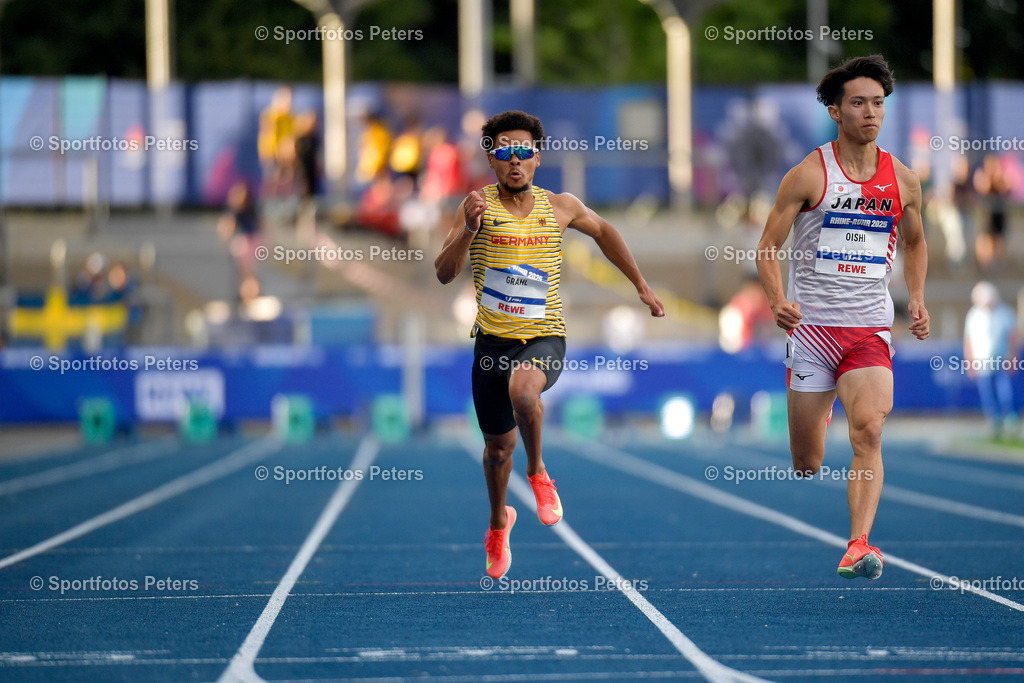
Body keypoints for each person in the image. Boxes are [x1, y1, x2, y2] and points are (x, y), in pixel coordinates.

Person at [434, 110, 665, 580]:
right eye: (504, 151)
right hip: (492, 344)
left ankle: (539, 473)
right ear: (492, 159)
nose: (515, 160)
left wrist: (640, 283)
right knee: (498, 450)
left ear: (537, 158)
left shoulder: (560, 206)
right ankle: (499, 523)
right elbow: (443, 272)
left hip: (544, 336)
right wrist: (469, 230)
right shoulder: (475, 207)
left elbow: (605, 233)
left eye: (524, 151)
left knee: (525, 393)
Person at [755, 55, 930, 580]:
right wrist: (777, 300)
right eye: (858, 103)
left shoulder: (904, 180)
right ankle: (822, 408)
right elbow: (767, 247)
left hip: (869, 330)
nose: (871, 113)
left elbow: (917, 242)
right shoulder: (809, 174)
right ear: (835, 111)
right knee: (807, 462)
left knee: (870, 431)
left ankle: (858, 545)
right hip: (812, 331)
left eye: (878, 103)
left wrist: (916, 298)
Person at [964, 281, 1019, 438]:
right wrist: (969, 362)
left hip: (1002, 360)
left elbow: (1013, 337)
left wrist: (1012, 356)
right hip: (982, 362)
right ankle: (994, 423)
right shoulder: (974, 314)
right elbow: (968, 340)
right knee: (988, 394)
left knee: (1005, 393)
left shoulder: (1005, 313)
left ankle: (1010, 421)